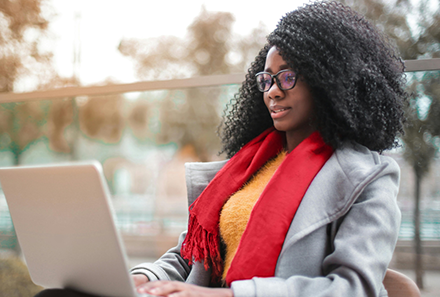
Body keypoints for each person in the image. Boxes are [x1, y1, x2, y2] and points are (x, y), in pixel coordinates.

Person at [36, 1, 408, 296]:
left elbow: (352, 289)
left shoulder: (368, 176)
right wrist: (142, 279)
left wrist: (226, 296)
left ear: (330, 81)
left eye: (289, 77)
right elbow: (188, 257)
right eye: (267, 79)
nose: (273, 91)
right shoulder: (246, 167)